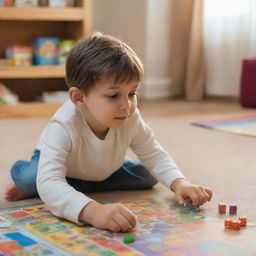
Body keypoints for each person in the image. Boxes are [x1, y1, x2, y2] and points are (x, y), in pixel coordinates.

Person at [5, 32, 212, 232]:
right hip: (65, 168)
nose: (126, 105)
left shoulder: (131, 115)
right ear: (78, 98)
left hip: (104, 168)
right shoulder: (63, 124)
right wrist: (93, 211)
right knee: (34, 181)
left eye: (132, 93)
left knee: (149, 176)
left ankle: (76, 188)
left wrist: (180, 183)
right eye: (113, 96)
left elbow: (153, 154)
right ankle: (35, 172)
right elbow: (50, 182)